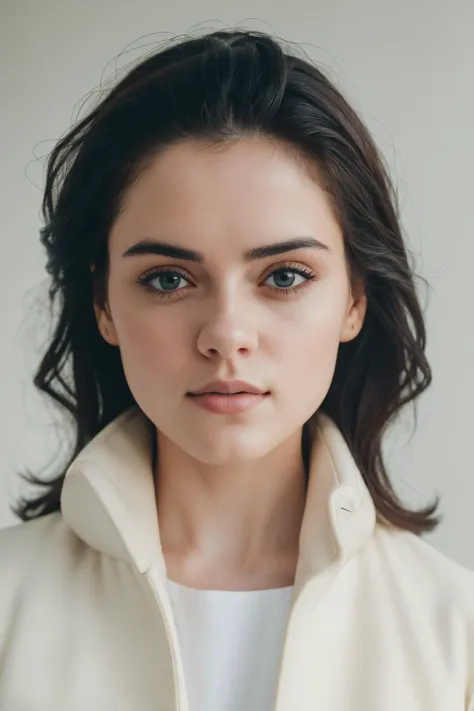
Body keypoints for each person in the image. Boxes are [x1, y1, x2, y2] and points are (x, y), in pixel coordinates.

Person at [0, 27, 473, 711]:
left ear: (355, 298)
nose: (226, 334)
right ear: (102, 301)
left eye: (283, 275)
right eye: (167, 279)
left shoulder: (453, 637)